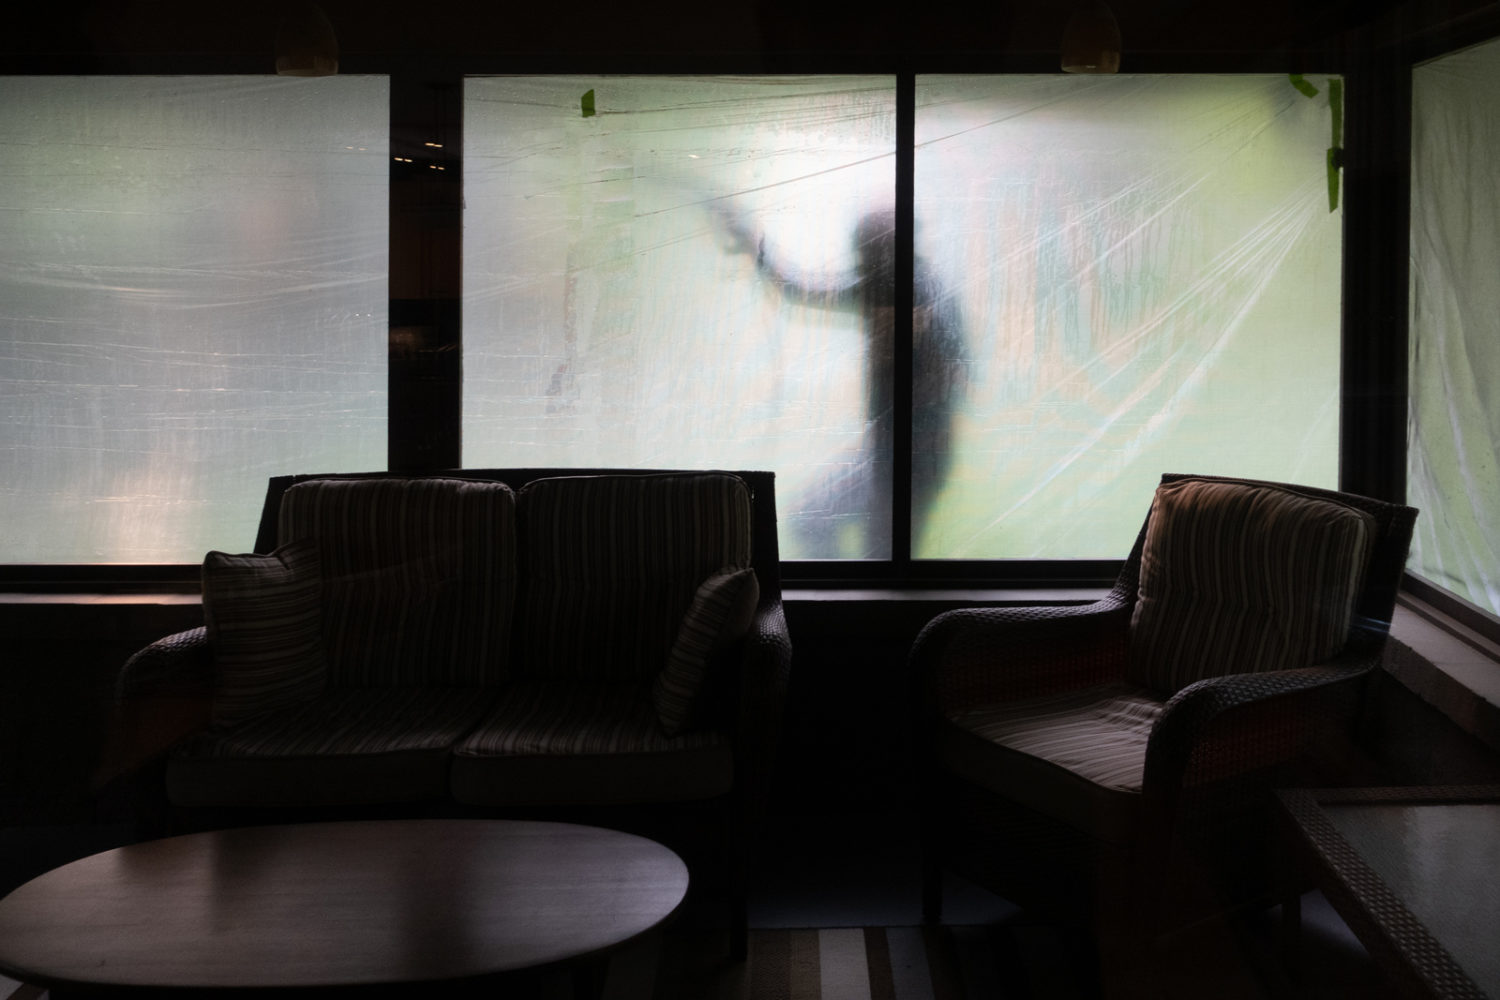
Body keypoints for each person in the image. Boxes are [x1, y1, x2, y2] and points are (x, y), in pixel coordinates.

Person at [715, 203, 966, 557]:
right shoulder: (886, 286)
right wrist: (753, 244)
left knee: (879, 557)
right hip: (887, 453)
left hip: (915, 460)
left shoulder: (920, 293)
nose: (858, 259)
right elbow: (800, 288)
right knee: (814, 521)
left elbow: (951, 376)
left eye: (865, 248)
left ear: (887, 248)